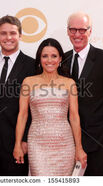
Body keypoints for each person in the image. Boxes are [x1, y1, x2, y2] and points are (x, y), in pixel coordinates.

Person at [64, 12, 103, 176]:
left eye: (82, 30)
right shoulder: (62, 60)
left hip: (97, 141)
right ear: (67, 31)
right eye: (73, 30)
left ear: (90, 31)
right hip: (67, 142)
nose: (77, 34)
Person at [13, 38, 87, 176]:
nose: (49, 60)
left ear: (60, 59)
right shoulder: (28, 82)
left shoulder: (69, 83)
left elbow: (74, 116)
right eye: (45, 56)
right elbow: (22, 115)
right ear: (39, 59)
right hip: (37, 144)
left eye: (54, 56)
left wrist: (79, 148)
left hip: (65, 144)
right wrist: (17, 143)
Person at [0, 15, 35, 176]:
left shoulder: (32, 65)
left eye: (13, 33)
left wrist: (24, 139)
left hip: (15, 140)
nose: (8, 37)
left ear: (20, 35)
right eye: (3, 33)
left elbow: (34, 107)